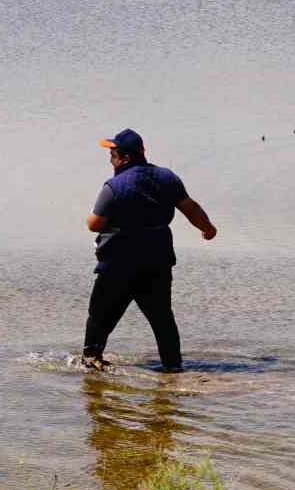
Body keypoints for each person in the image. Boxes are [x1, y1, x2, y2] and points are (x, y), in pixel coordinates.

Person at [83, 128, 217, 372]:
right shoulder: (167, 178)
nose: (110, 160)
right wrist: (207, 228)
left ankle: (91, 363)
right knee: (162, 318)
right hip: (156, 262)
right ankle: (173, 367)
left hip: (118, 264)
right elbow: (190, 208)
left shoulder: (114, 186)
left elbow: (94, 224)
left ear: (124, 158)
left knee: (100, 318)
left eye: (113, 156)